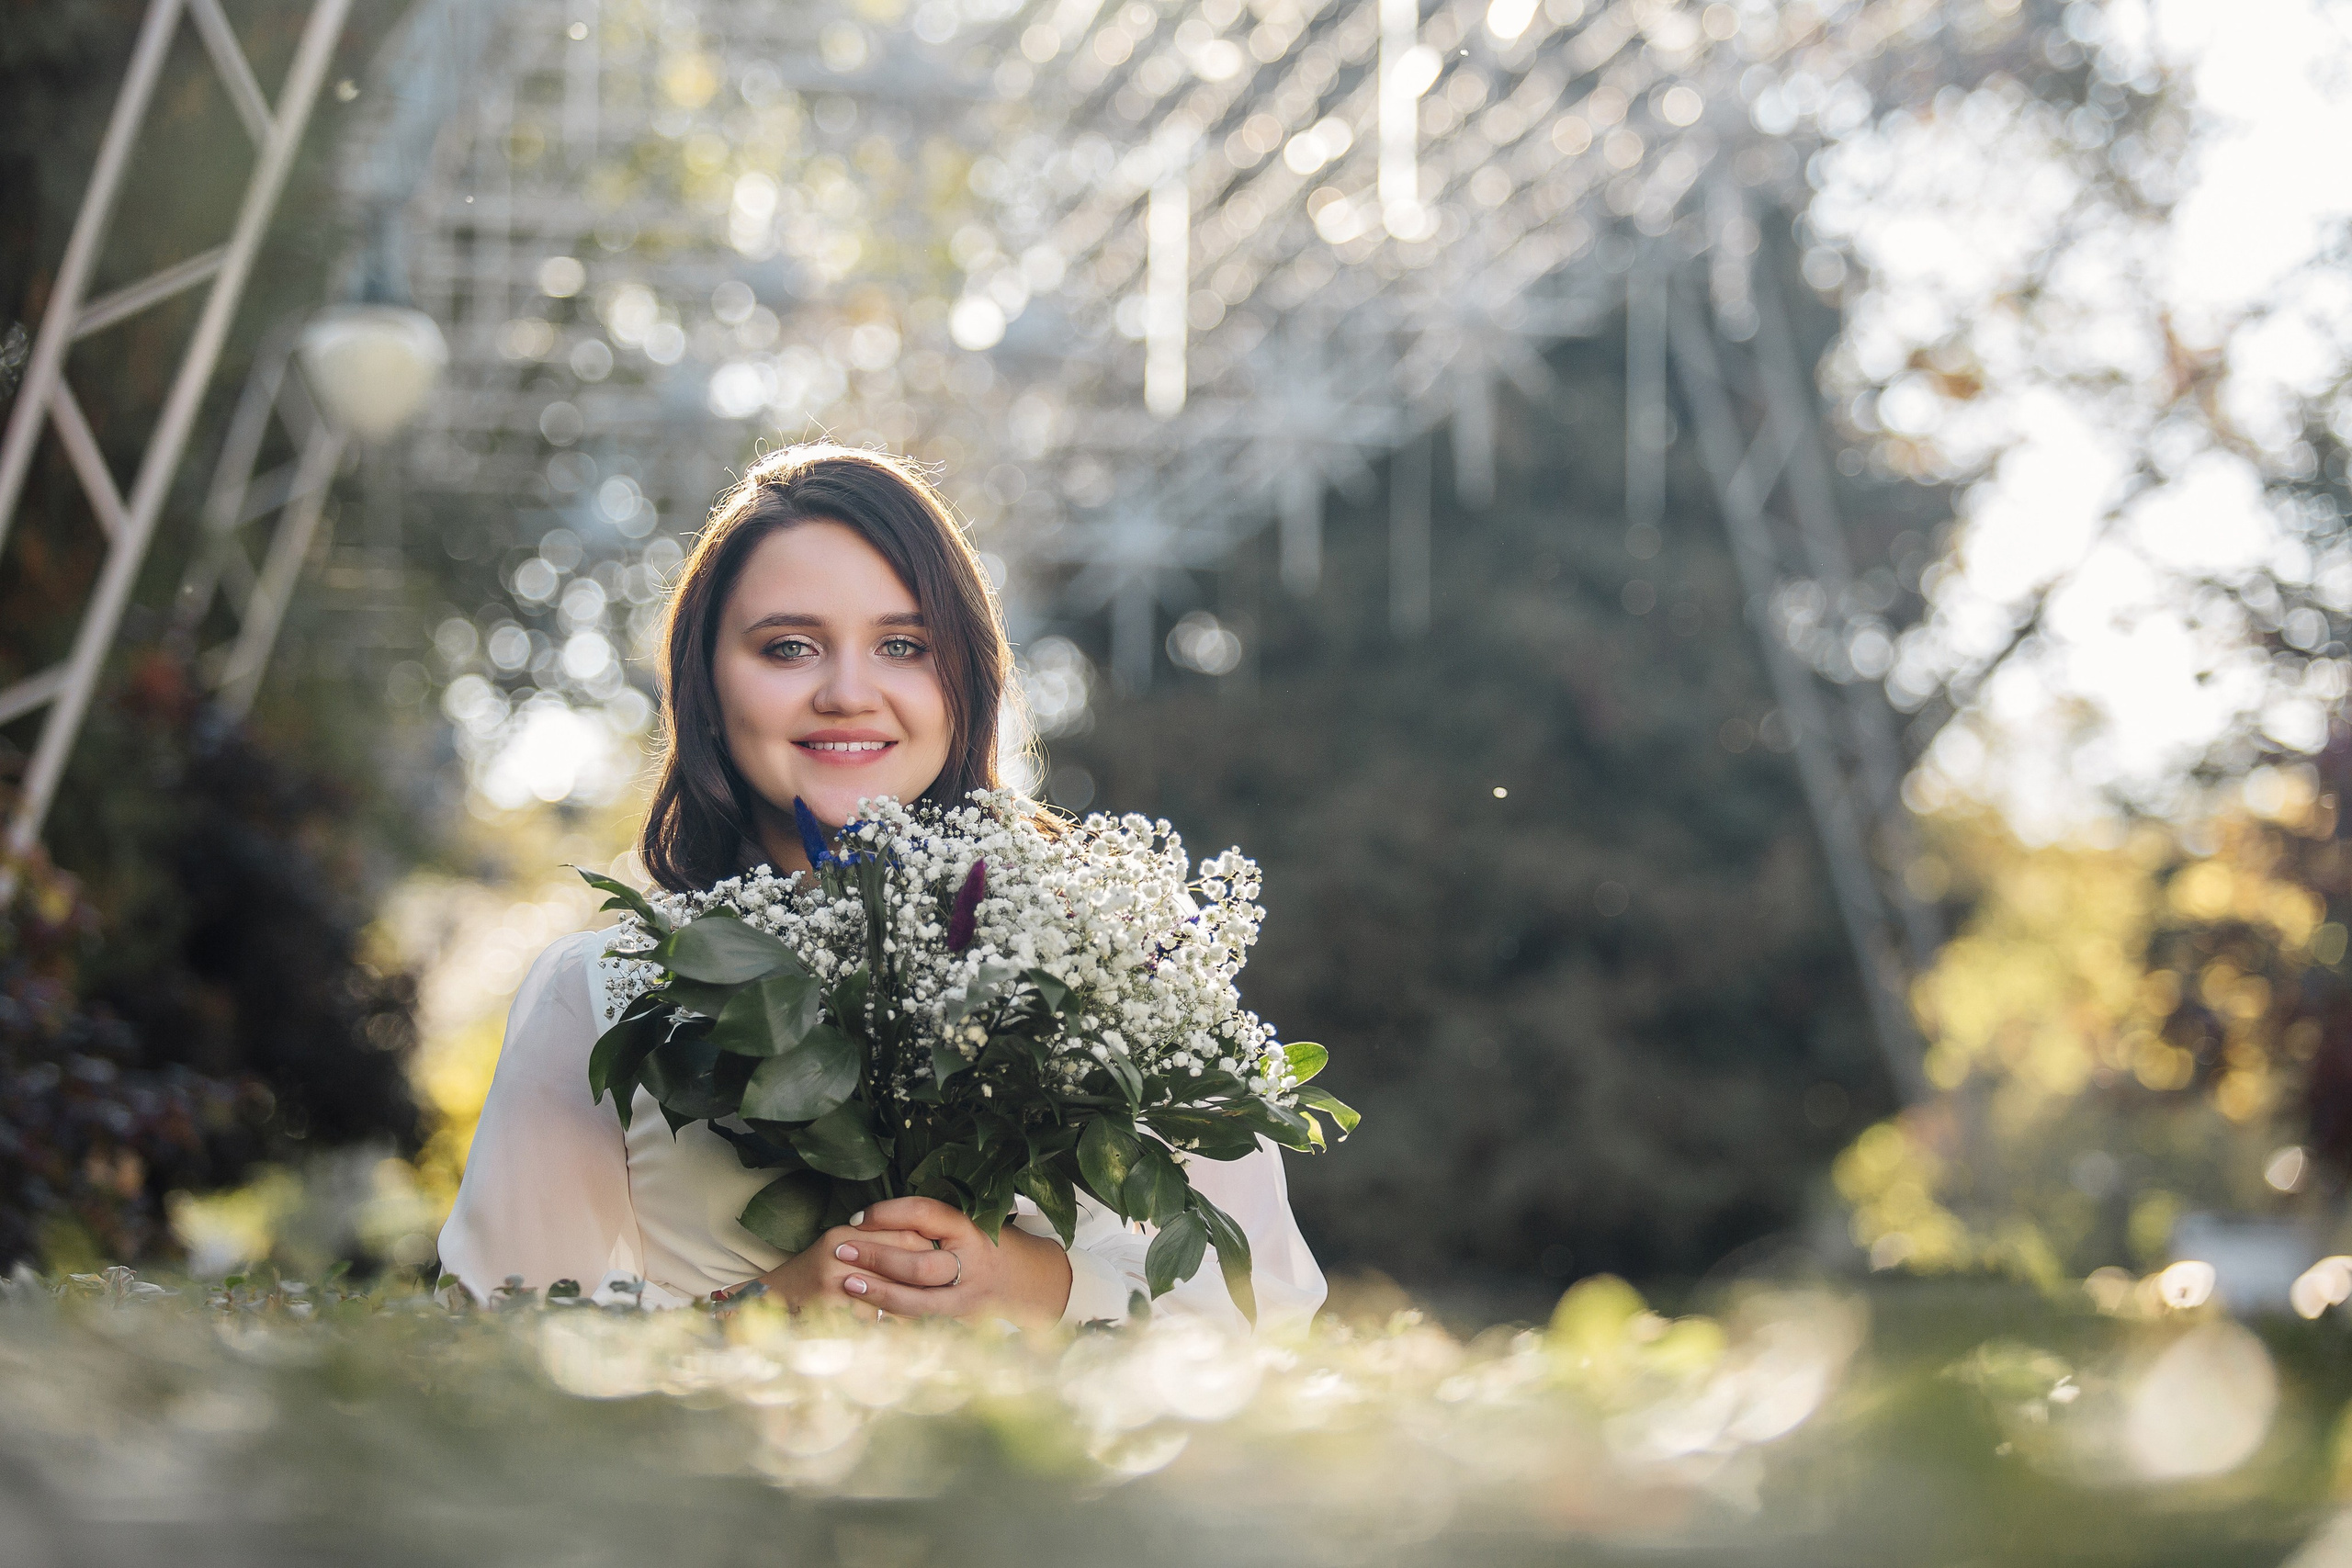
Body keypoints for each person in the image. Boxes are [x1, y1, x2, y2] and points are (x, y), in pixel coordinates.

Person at [437, 445, 1325, 1331]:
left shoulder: (1127, 971)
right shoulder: (598, 993)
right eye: (789, 647)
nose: (848, 692)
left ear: (963, 682)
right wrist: (764, 1312)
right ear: (706, 686)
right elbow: (499, 1345)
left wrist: (1041, 1289)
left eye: (903, 645)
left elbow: (1271, 1323)